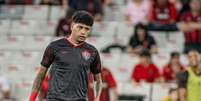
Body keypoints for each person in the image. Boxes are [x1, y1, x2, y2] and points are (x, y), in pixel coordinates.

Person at [29, 11, 102, 101]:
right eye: (80, 27)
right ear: (72, 26)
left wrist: (97, 97)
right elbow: (40, 75)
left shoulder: (92, 51)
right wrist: (31, 99)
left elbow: (97, 80)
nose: (83, 32)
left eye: (87, 29)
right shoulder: (55, 46)